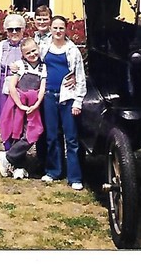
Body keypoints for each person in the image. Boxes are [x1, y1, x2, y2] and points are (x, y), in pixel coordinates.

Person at [40, 15, 87, 190]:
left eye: (61, 28)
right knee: (52, 136)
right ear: (50, 29)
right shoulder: (44, 47)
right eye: (55, 28)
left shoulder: (72, 50)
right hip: (49, 96)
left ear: (65, 29)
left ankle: (74, 177)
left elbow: (80, 77)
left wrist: (78, 102)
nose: (58, 31)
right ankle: (53, 171)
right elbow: (33, 64)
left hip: (67, 98)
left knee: (72, 138)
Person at [0, 38, 47, 179]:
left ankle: (8, 157)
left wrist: (36, 105)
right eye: (28, 52)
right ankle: (17, 166)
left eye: (34, 50)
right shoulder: (20, 65)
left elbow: (42, 88)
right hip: (18, 105)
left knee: (33, 132)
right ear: (23, 55)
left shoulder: (43, 68)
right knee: (16, 132)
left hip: (34, 105)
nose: (32, 54)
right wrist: (20, 105)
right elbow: (12, 86)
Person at [0, 13, 26, 120]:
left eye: (17, 29)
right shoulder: (2, 45)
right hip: (4, 84)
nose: (14, 32)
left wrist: (20, 68)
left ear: (22, 30)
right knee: (5, 115)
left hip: (21, 84)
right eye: (10, 29)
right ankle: (5, 136)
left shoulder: (26, 44)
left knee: (19, 116)